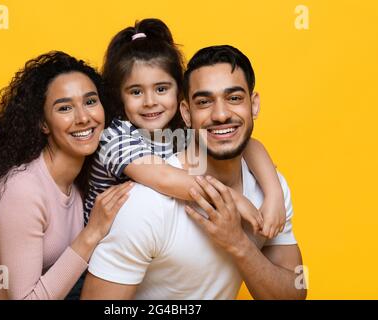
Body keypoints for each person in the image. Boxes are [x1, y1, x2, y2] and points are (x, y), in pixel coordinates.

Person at [81, 45, 306, 300]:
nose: (221, 114)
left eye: (234, 98)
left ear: (254, 105)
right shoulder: (146, 202)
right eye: (204, 102)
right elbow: (164, 178)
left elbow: (294, 294)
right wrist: (234, 200)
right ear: (186, 113)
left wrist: (240, 243)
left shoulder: (269, 190)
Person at [0, 51, 132, 300]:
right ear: (43, 124)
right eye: (65, 108)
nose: (83, 117)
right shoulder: (22, 188)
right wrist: (92, 233)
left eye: (90, 102)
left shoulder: (83, 180)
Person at [84, 18, 286, 239]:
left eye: (161, 89)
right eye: (135, 92)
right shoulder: (114, 137)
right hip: (101, 254)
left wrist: (274, 194)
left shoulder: (178, 131)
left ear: (179, 93)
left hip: (152, 248)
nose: (150, 101)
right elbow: (163, 177)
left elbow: (249, 144)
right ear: (119, 96)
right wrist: (235, 199)